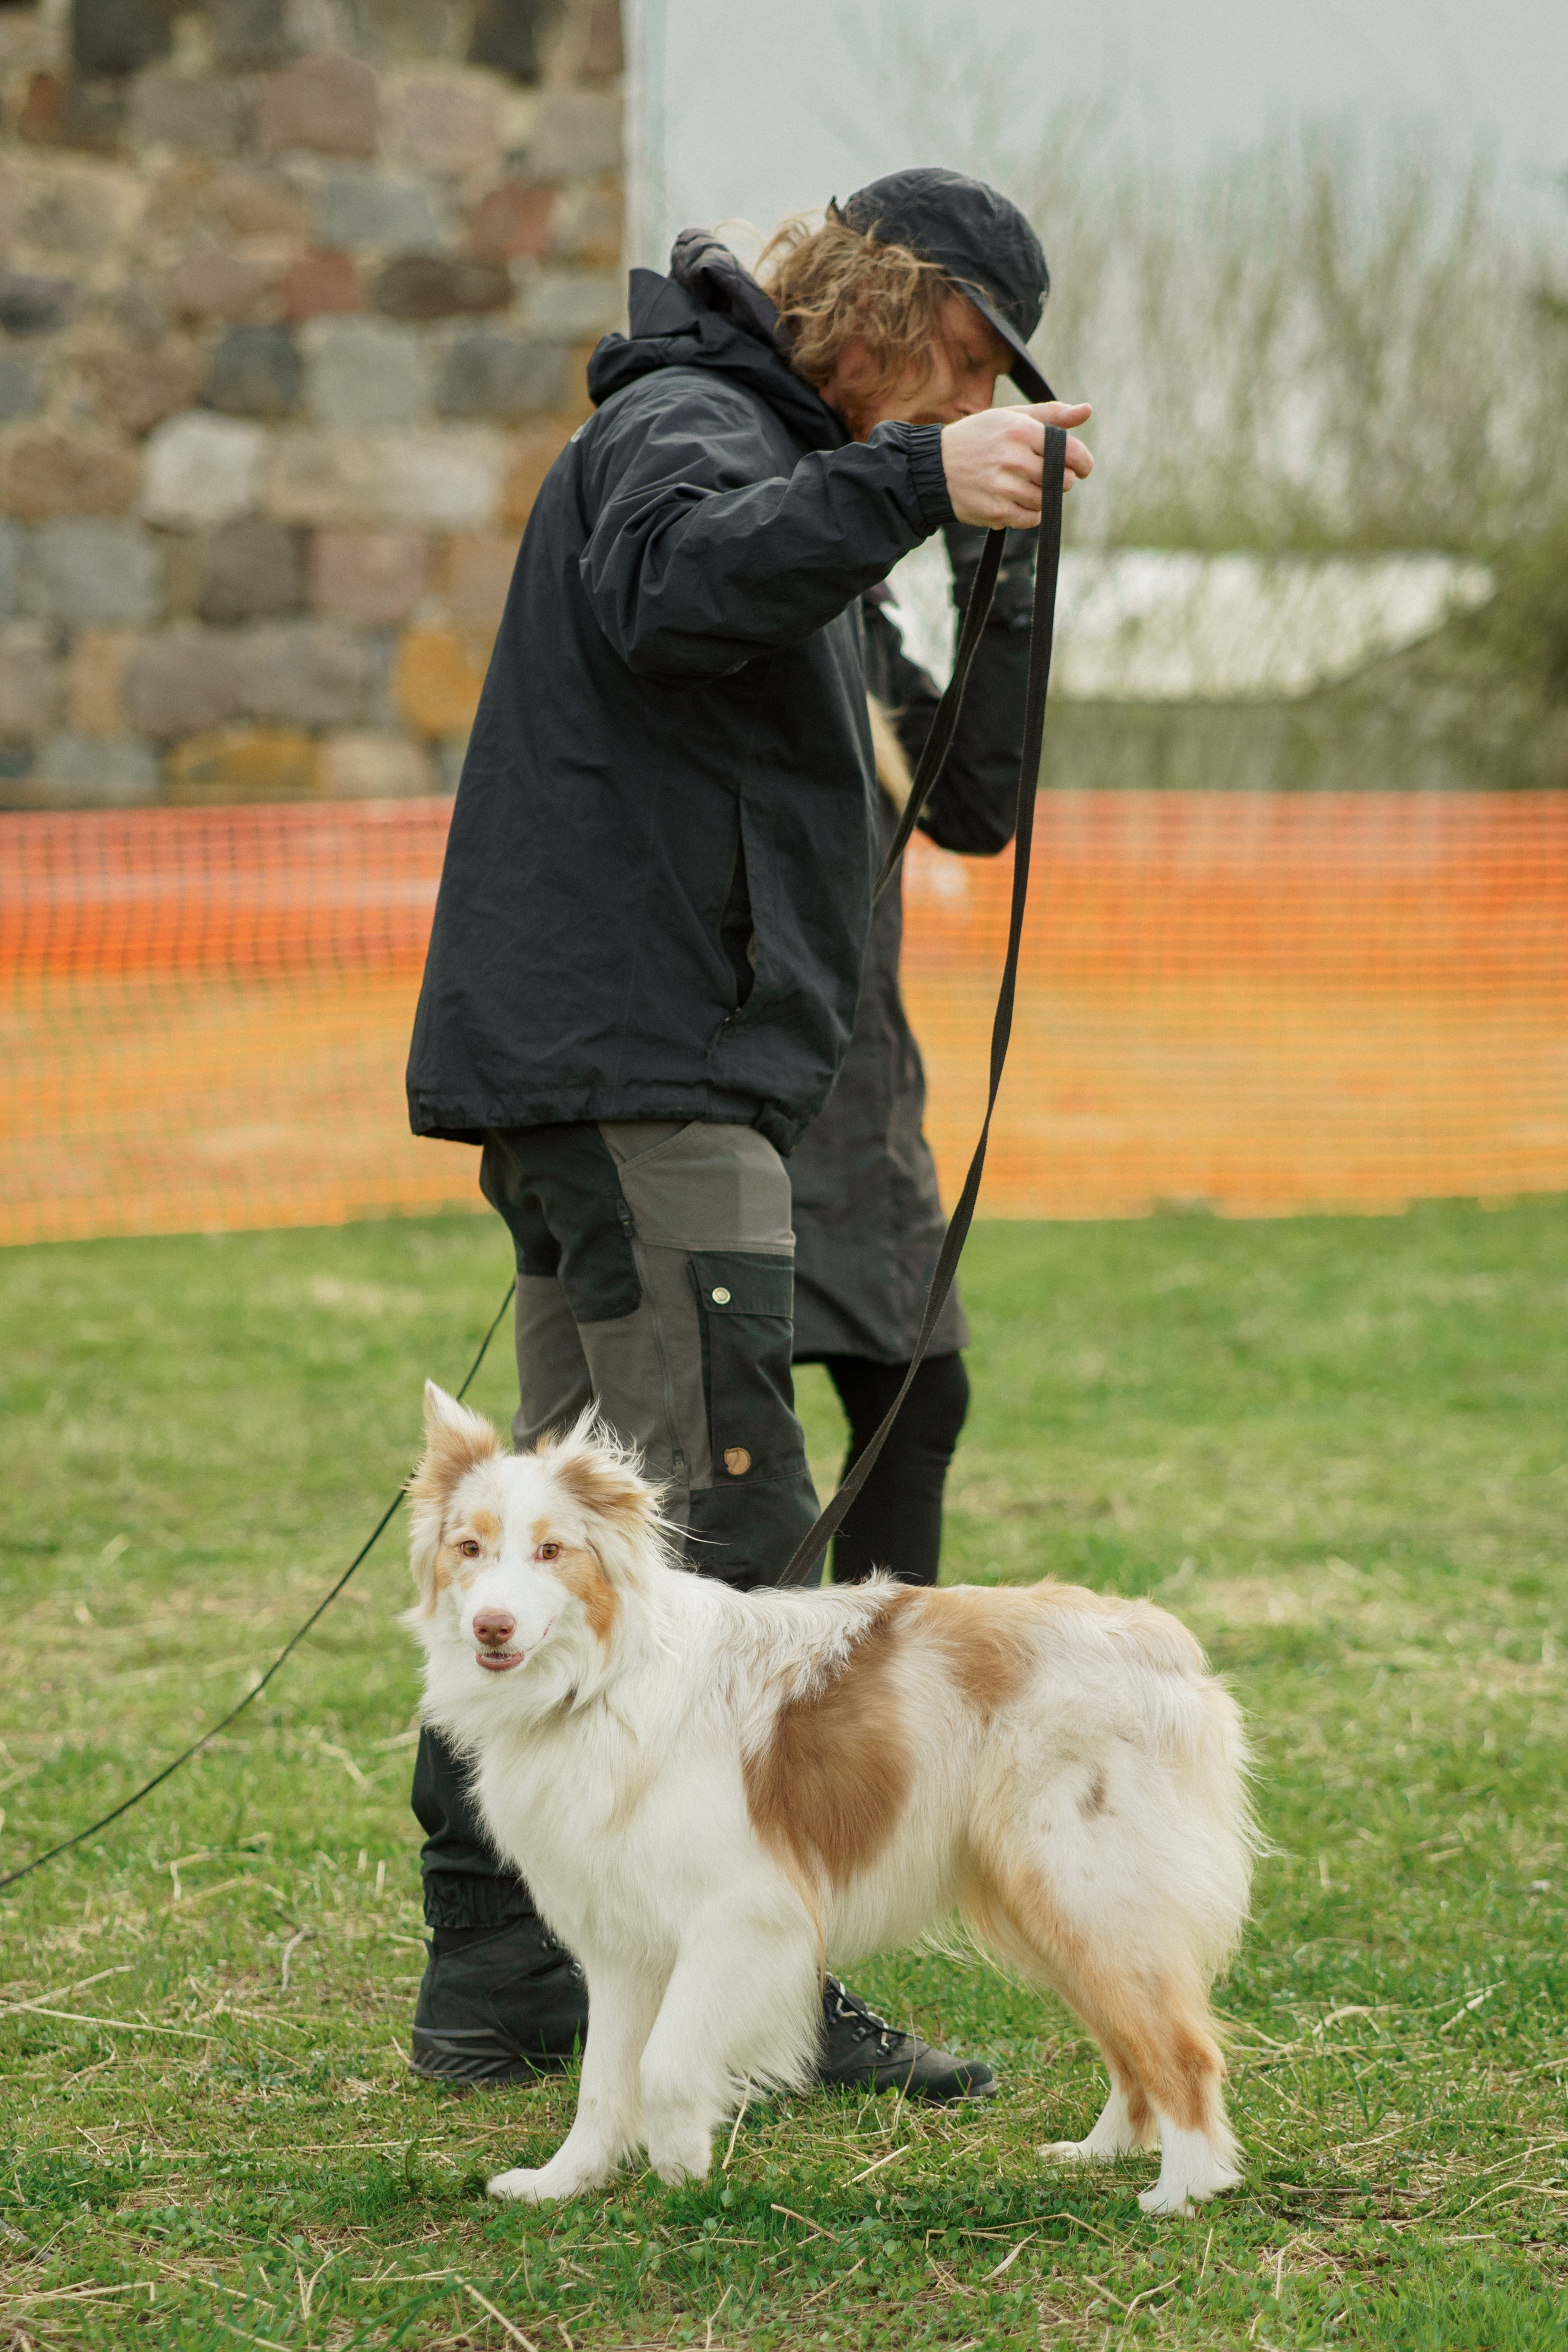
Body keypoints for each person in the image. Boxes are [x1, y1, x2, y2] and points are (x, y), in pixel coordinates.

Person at [402, 167, 1092, 2094]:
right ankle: (758, 1977)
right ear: (879, 304)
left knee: (564, 1549)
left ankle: (505, 1983)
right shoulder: (684, 430)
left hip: (657, 1071)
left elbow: (970, 800)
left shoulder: (804, 495)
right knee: (733, 1552)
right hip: (648, 1068)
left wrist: (995, 574)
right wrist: (912, 488)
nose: (960, 402)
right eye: (957, 361)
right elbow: (671, 587)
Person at [791, 525, 1038, 1587]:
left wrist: (1004, 566)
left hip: (856, 1090)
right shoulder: (766, 564)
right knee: (696, 1447)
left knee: (917, 1398)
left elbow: (977, 805)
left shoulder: (856, 615)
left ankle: (861, 1735)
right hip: (740, 1075)